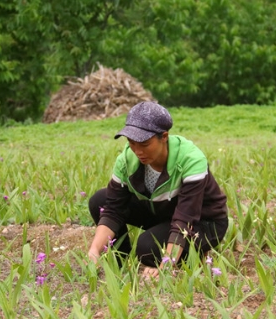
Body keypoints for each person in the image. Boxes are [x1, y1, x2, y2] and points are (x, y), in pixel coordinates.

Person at [87, 101, 228, 277]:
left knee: (147, 249)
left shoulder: (190, 160)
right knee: (100, 201)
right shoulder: (127, 160)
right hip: (164, 212)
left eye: (144, 144)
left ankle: (192, 256)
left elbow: (184, 220)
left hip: (203, 222)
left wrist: (165, 267)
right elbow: (113, 210)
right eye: (132, 142)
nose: (137, 151)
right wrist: (94, 250)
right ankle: (119, 262)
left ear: (164, 136)